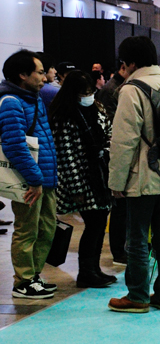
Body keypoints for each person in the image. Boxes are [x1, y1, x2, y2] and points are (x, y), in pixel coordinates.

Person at [107, 36, 160, 313]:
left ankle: (138, 296)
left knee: (138, 238)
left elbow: (123, 141)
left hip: (142, 178)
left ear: (129, 63)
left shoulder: (132, 89)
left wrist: (116, 182)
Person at [48, 70, 115, 288]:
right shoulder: (63, 116)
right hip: (83, 179)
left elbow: (109, 132)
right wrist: (76, 188)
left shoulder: (96, 108)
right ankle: (86, 272)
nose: (88, 96)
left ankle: (93, 269)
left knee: (99, 223)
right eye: (84, 93)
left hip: (100, 174)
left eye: (90, 92)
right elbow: (66, 157)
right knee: (94, 224)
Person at [0, 50, 57, 299]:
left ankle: (33, 276)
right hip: (29, 180)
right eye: (40, 72)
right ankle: (23, 281)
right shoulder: (11, 102)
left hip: (44, 177)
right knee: (27, 230)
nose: (45, 78)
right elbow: (14, 145)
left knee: (46, 228)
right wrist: (34, 179)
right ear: (23, 75)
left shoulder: (34, 99)